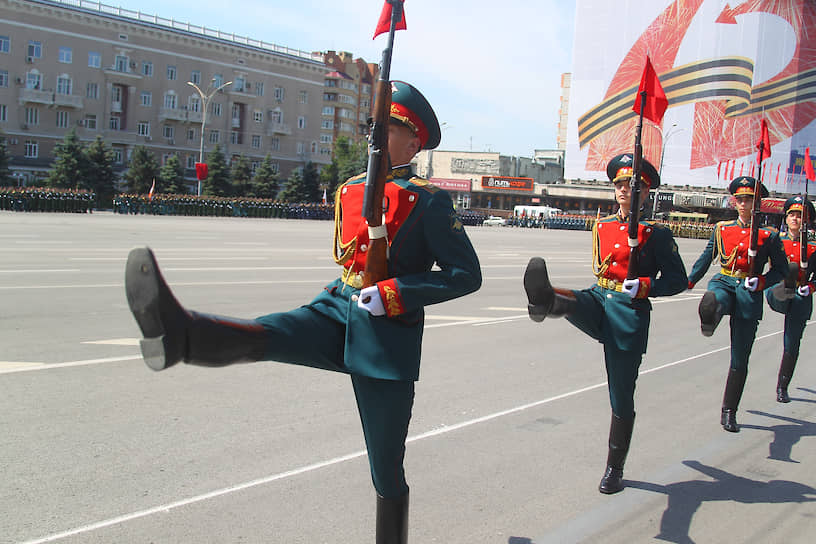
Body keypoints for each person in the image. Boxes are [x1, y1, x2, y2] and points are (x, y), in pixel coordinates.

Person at [124, 81, 482, 544]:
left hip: (387, 335)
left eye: (387, 129)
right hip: (338, 306)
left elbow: (465, 274)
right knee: (271, 333)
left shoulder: (429, 199)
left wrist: (396, 293)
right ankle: (183, 335)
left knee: (385, 466)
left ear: (413, 142)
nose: (374, 136)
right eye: (372, 126)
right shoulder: (352, 189)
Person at [523, 154, 688, 494]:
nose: (625, 190)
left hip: (629, 314)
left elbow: (677, 280)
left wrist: (646, 286)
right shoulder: (603, 225)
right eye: (620, 184)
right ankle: (546, 298)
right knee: (577, 301)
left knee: (621, 396)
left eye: (633, 186)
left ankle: (615, 467)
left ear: (645, 192)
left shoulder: (657, 234)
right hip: (601, 297)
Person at [687, 176, 788, 432]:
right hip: (724, 280)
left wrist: (763, 281)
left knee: (740, 359)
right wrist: (689, 281)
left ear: (758, 204)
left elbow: (781, 270)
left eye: (749, 200)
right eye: (740, 199)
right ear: (735, 202)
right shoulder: (722, 229)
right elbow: (706, 258)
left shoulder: (770, 236)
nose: (744, 204)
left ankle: (729, 411)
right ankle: (709, 317)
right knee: (716, 299)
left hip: (750, 290)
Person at [764, 195, 816, 403]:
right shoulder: (775, 241)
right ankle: (788, 283)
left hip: (801, 294)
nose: (795, 218)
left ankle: (782, 387)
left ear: (807, 220)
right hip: (778, 291)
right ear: (786, 218)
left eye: (800, 215)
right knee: (788, 277)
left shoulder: (813, 246)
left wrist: (811, 287)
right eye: (792, 214)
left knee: (792, 342)